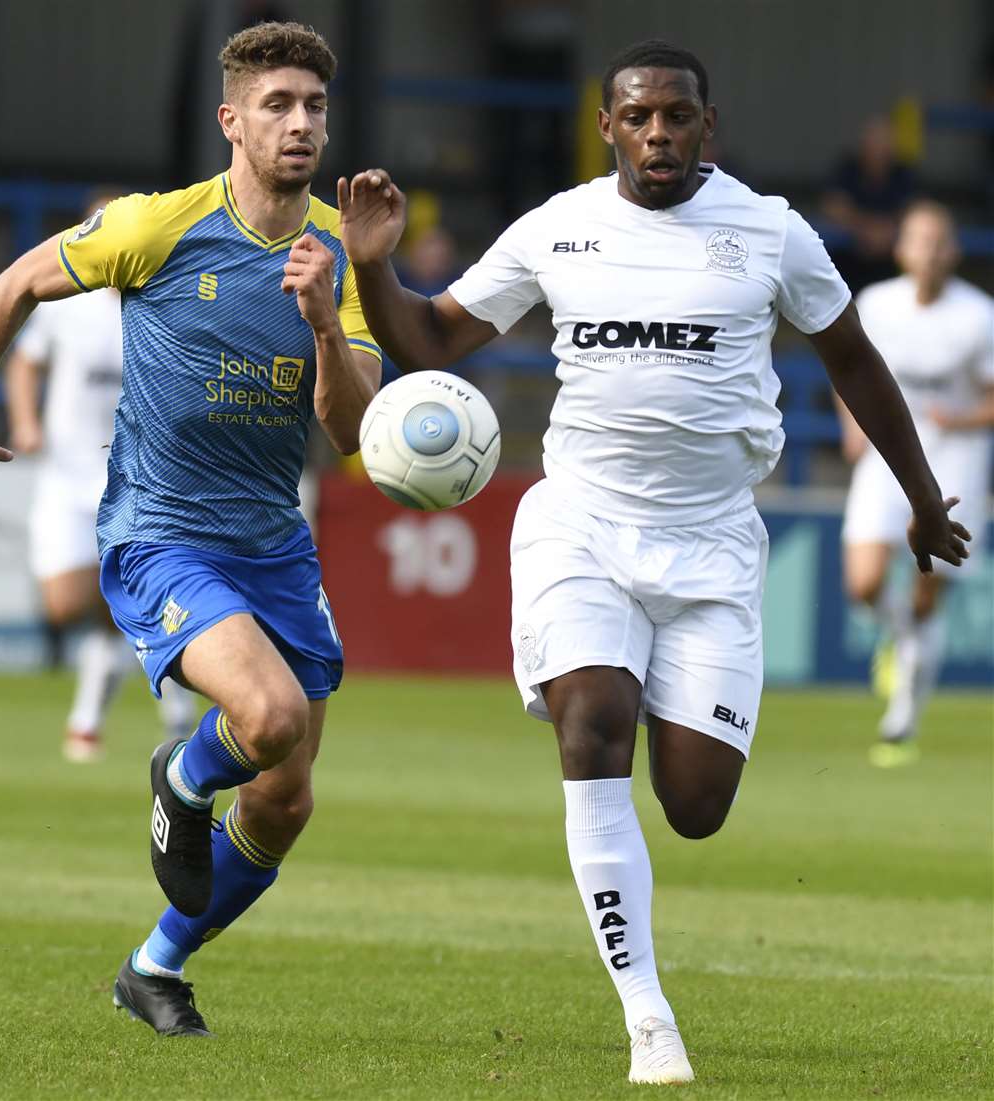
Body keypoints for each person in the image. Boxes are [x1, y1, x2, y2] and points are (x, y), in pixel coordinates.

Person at [338, 39, 970, 1085]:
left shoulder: (772, 233)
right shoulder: (561, 228)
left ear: (707, 126)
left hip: (717, 545)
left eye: (677, 116)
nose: (659, 134)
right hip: (580, 522)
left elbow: (853, 358)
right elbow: (431, 341)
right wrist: (373, 264)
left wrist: (915, 497)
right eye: (638, 117)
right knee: (595, 723)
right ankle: (649, 1020)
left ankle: (652, 839)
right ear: (608, 127)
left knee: (695, 805)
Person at [0, 21, 381, 1037]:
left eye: (314, 106)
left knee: (285, 801)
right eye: (279, 104)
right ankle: (179, 775)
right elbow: (15, 285)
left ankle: (153, 968)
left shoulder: (339, 261)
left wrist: (322, 322)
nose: (301, 123)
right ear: (232, 120)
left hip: (274, 545)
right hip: (163, 532)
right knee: (266, 722)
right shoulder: (157, 226)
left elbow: (353, 431)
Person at [4, 197, 196, 761]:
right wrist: (24, 420)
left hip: (136, 477)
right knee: (66, 604)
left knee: (119, 592)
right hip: (66, 478)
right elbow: (24, 362)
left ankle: (90, 717)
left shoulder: (165, 298)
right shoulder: (65, 301)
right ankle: (170, 679)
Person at [838, 201, 993, 767]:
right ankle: (898, 640)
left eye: (940, 241)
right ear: (902, 247)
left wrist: (963, 420)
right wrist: (851, 426)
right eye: (919, 239)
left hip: (955, 462)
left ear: (953, 251)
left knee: (929, 592)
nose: (929, 251)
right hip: (886, 458)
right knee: (863, 583)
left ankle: (902, 716)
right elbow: (847, 368)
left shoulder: (979, 316)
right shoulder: (876, 305)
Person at [821, 115, 917, 293]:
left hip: (890, 261)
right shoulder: (847, 168)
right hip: (847, 259)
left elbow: (914, 212)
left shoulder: (903, 173)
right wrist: (865, 229)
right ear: (864, 144)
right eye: (874, 141)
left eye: (884, 142)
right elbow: (833, 207)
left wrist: (888, 230)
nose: (879, 148)